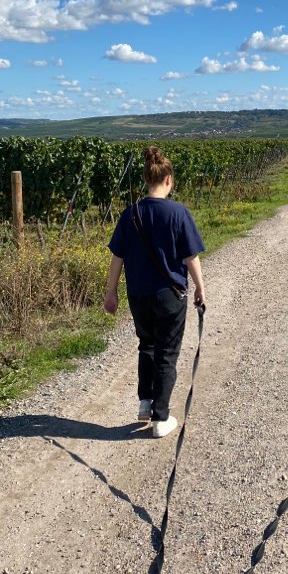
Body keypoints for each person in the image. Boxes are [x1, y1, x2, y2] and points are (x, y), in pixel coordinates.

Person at [104, 146, 206, 438]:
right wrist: (200, 287)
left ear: (147, 180)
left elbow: (117, 258)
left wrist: (110, 292)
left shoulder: (129, 214)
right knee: (167, 353)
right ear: (169, 181)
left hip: (138, 296)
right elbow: (190, 257)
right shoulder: (178, 213)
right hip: (169, 296)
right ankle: (161, 418)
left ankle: (145, 402)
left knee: (146, 345)